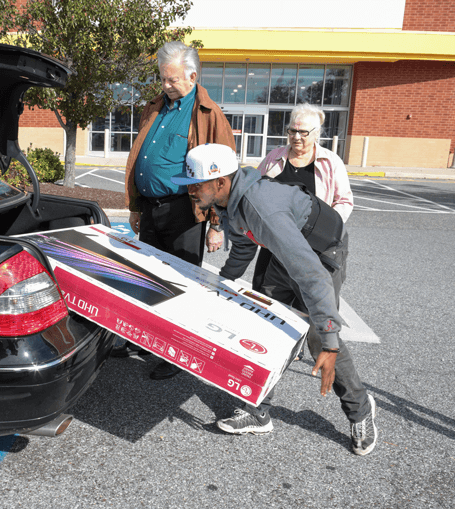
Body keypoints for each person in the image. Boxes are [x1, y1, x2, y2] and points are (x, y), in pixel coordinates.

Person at [171, 143, 377, 456]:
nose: (190, 192)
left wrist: (330, 341)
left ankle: (360, 411)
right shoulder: (230, 200)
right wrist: (223, 285)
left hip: (321, 253)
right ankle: (257, 411)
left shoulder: (260, 208)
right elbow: (243, 244)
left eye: (196, 185)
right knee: (264, 324)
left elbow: (314, 277)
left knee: (318, 339)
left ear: (220, 183)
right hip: (285, 250)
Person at [122, 41, 234, 380]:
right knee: (149, 278)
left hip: (184, 211)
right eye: (163, 79)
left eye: (172, 80)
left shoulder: (208, 114)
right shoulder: (156, 107)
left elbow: (222, 175)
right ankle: (145, 340)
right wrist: (136, 205)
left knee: (181, 284)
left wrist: (217, 224)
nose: (166, 86)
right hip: (151, 208)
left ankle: (176, 352)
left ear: (192, 76)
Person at [220, 103, 353, 293]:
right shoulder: (275, 157)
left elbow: (344, 201)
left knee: (304, 300)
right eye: (292, 131)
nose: (296, 137)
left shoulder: (331, 162)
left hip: (311, 245)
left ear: (317, 133)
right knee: (265, 295)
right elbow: (252, 188)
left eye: (303, 132)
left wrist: (325, 229)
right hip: (272, 241)